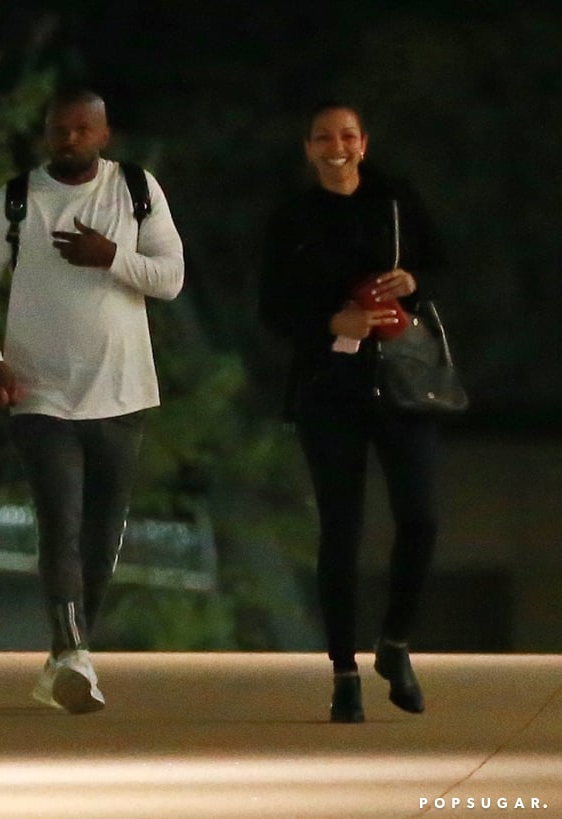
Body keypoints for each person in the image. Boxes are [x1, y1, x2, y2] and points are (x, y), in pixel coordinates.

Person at [0, 89, 184, 713]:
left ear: (104, 134)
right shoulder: (14, 200)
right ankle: (74, 657)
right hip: (41, 393)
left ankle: (66, 653)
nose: (70, 140)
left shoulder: (136, 190)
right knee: (59, 521)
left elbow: (171, 279)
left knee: (102, 532)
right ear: (46, 134)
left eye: (83, 130)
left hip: (122, 390)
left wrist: (111, 257)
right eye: (60, 130)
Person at [260, 101, 446, 722]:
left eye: (346, 136)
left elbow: (442, 263)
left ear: (363, 143)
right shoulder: (293, 218)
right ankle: (344, 672)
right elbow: (272, 308)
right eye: (322, 138)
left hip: (400, 381)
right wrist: (328, 322)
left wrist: (412, 281)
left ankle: (394, 644)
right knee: (341, 531)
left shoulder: (395, 201)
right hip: (328, 386)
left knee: (420, 517)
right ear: (309, 149)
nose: (335, 147)